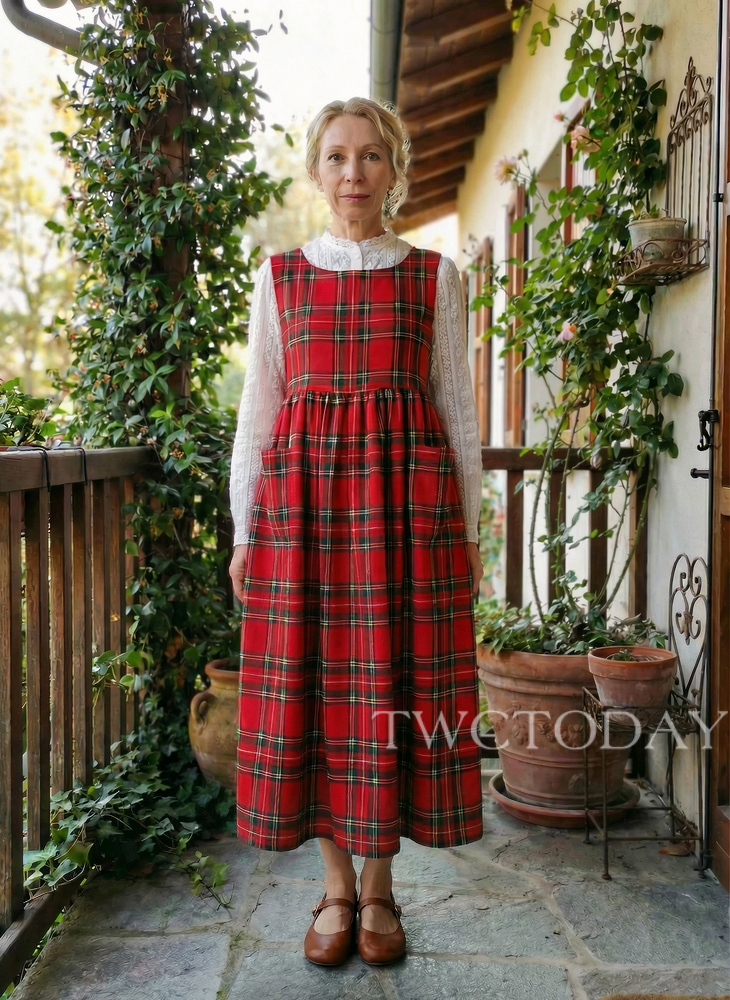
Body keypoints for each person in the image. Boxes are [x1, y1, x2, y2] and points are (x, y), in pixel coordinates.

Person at [228, 97, 484, 968]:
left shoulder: (434, 276)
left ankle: (379, 893)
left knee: (391, 695)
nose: (352, 175)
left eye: (371, 157)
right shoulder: (279, 277)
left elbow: (456, 410)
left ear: (395, 167)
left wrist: (473, 533)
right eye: (336, 157)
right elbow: (258, 414)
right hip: (300, 519)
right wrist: (242, 530)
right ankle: (336, 888)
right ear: (316, 169)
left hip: (407, 520)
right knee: (313, 695)